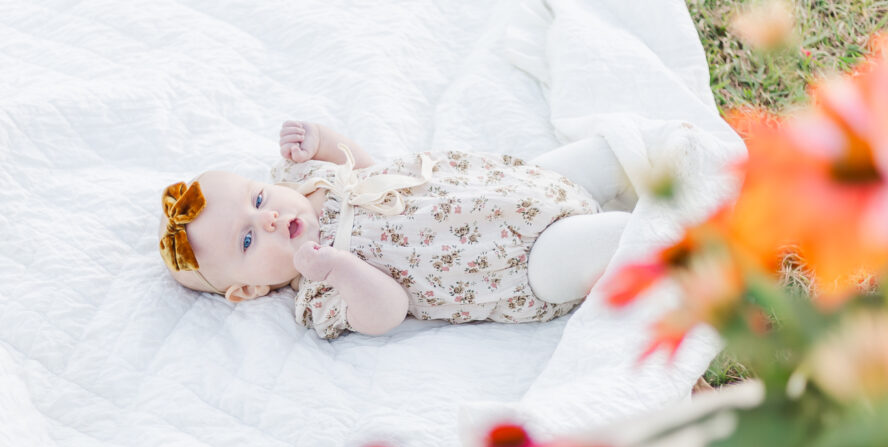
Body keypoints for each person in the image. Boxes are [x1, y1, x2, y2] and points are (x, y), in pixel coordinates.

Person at [159, 121, 633, 338]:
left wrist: (324, 141)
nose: (267, 218)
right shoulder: (319, 295)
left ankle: (665, 156)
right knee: (613, 235)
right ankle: (665, 230)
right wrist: (339, 268)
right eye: (248, 239)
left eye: (257, 198)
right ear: (250, 288)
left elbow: (367, 166)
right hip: (518, 264)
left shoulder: (312, 184)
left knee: (605, 155)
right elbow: (388, 311)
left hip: (514, 186)